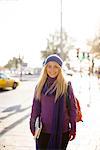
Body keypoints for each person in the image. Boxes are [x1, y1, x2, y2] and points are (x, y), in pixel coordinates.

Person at [30, 54, 77, 150]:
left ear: (60, 69)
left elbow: (72, 109)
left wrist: (73, 128)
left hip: (62, 131)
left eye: (56, 66)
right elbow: (35, 108)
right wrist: (32, 123)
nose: (52, 69)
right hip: (43, 131)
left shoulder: (66, 85)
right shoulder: (40, 86)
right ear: (45, 68)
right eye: (49, 66)